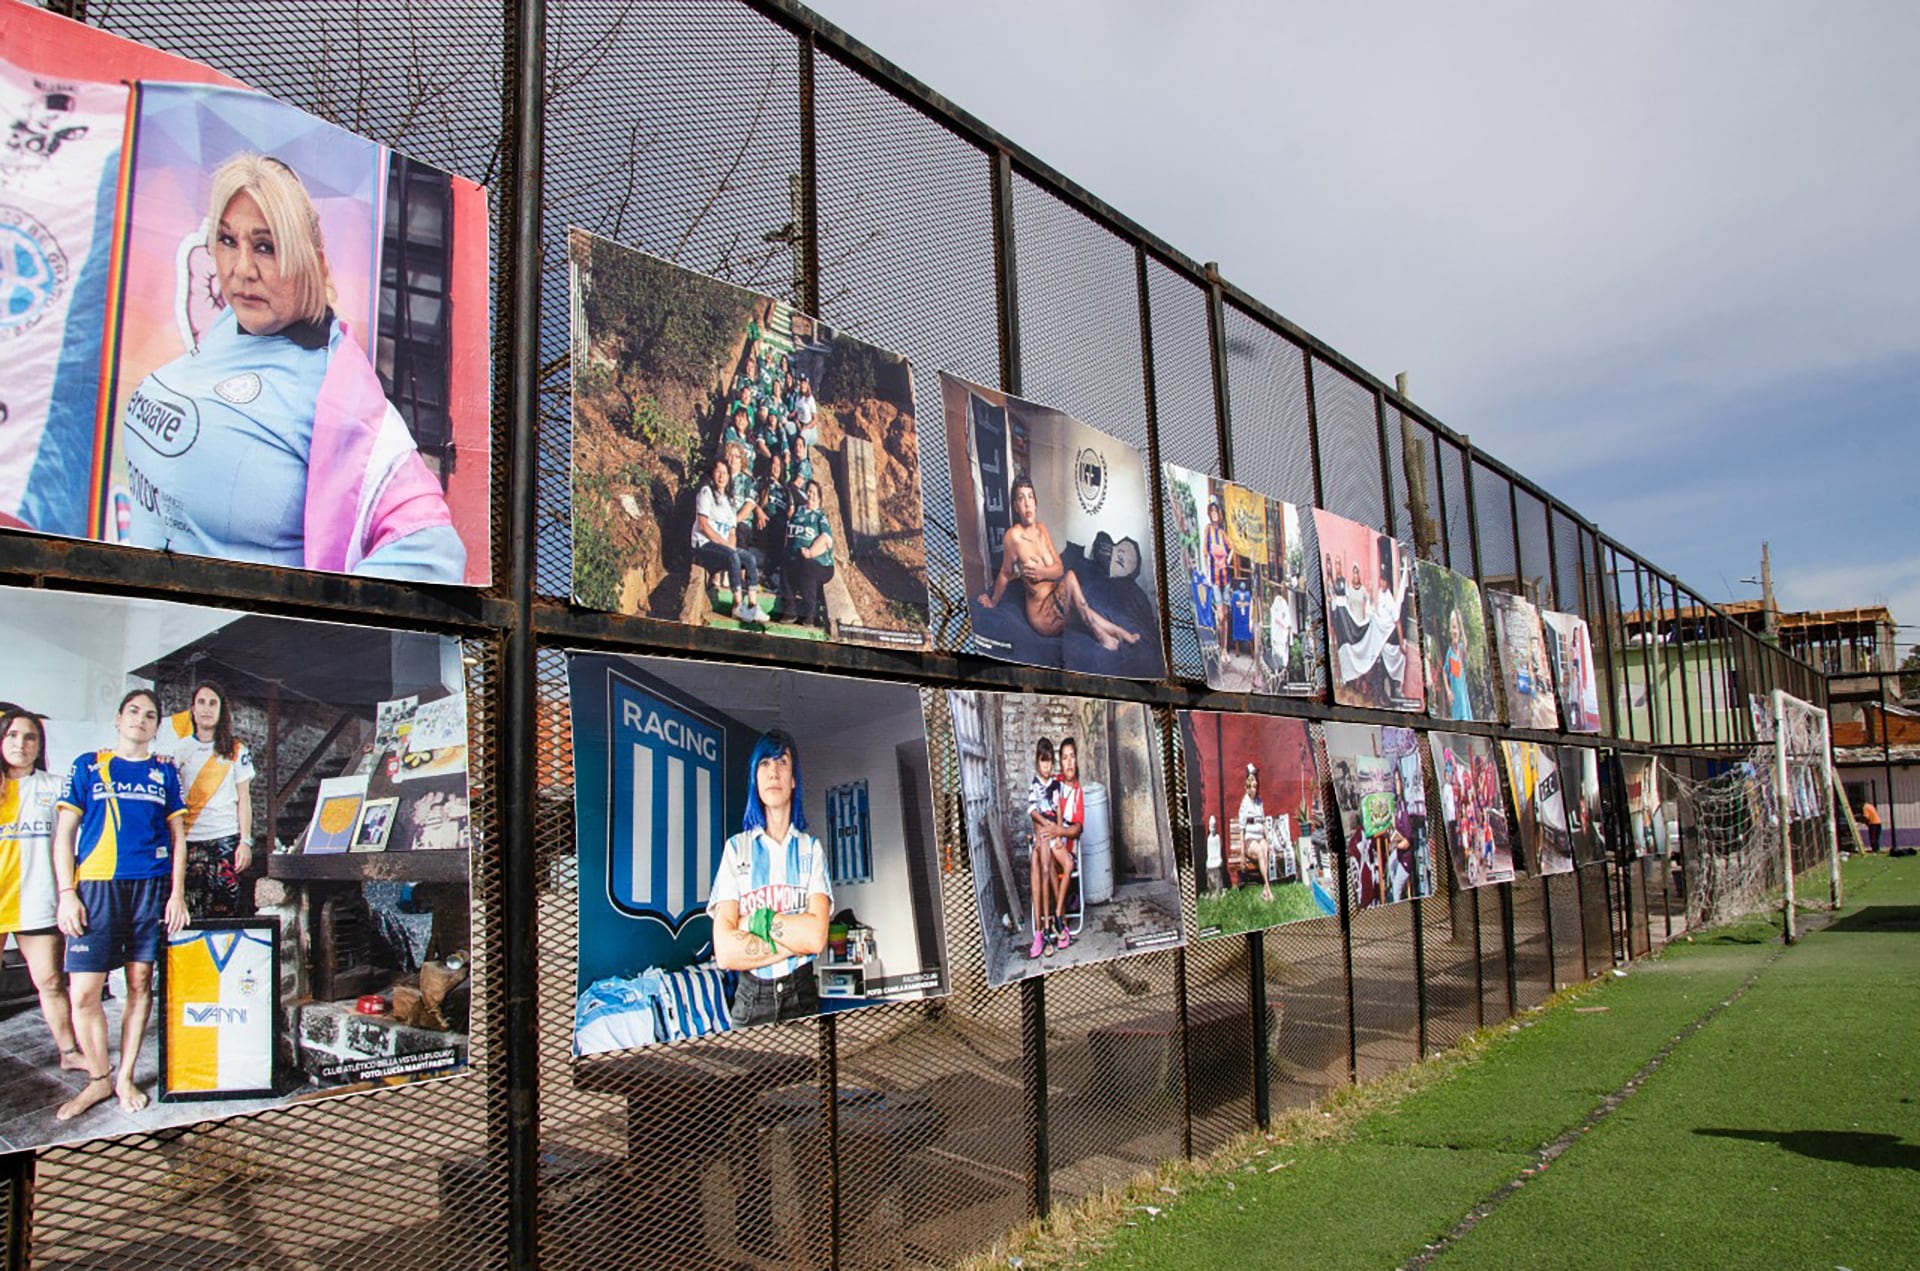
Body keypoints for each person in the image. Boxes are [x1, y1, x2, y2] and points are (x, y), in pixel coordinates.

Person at [119, 154, 465, 581]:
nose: (241, 270)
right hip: (140, 627)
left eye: (266, 247)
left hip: (220, 645)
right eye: (227, 241)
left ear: (309, 260)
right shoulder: (233, 326)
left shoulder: (334, 390)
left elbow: (433, 549)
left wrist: (311, 632)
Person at [52, 689, 190, 1119]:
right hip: (94, 887)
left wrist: (177, 893)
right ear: (118, 718)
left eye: (150, 715)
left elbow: (179, 838)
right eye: (133, 711)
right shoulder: (88, 765)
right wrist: (66, 892)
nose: (141, 719)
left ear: (156, 726)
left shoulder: (165, 773)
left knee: (138, 985)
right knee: (84, 993)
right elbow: (64, 835)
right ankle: (97, 1078)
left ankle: (125, 1075)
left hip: (149, 888)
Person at [709, 730, 831, 1027]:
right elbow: (725, 953)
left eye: (782, 763)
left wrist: (753, 922)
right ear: (755, 779)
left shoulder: (811, 849)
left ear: (793, 780)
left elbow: (816, 938)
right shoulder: (735, 849)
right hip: (752, 999)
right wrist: (796, 939)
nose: (773, 772)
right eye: (764, 764)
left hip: (802, 995)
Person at [0, 709, 81, 1074]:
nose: (21, 743)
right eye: (13, 735)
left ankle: (68, 1051)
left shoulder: (55, 785)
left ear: (39, 743)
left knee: (50, 982)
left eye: (29, 736)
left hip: (37, 902)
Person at [977, 475, 1143, 653]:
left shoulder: (1042, 529)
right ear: (1016, 506)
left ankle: (1120, 632)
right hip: (1043, 615)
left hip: (1058, 599)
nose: (1027, 503)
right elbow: (1004, 573)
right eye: (1021, 498)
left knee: (1079, 603)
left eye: (1030, 497)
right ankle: (1100, 635)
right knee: (1072, 580)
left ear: (1036, 502)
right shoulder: (1013, 537)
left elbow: (1059, 569)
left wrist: (1041, 572)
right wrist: (993, 601)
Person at [154, 681, 254, 920]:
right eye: (201, 702)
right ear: (192, 709)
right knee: (190, 910)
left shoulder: (236, 749)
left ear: (221, 711)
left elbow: (244, 798)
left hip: (225, 840)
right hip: (189, 840)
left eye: (213, 703)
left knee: (224, 911)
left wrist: (245, 841)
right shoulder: (180, 749)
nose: (207, 708)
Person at [692, 456, 767, 624]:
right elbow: (703, 525)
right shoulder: (706, 492)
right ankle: (737, 606)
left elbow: (732, 530)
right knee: (732, 556)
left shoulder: (729, 500)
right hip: (704, 545)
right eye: (718, 472)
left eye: (725, 473)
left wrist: (730, 546)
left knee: (749, 558)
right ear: (712, 473)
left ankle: (753, 604)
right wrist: (725, 546)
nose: (721, 476)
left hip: (722, 546)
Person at [1045, 738, 1087, 950]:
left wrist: (1060, 831)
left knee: (1061, 860)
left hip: (1068, 850)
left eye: (1072, 757)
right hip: (1052, 848)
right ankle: (1059, 916)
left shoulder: (1079, 792)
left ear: (1077, 760)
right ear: (1060, 763)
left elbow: (1078, 829)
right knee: (1048, 859)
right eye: (1064, 758)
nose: (1069, 762)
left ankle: (1057, 915)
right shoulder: (1055, 783)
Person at [783, 480, 836, 630]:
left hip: (821, 564)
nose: (811, 495)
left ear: (819, 499)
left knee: (808, 567)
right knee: (786, 563)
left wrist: (811, 552)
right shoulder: (798, 512)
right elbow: (788, 533)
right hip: (795, 558)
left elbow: (826, 539)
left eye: (814, 493)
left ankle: (810, 616)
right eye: (809, 492)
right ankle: (789, 611)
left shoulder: (820, 516)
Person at [1026, 738, 1061, 959]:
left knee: (1043, 867)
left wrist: (1056, 830)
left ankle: (1046, 930)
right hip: (1040, 831)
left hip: (1051, 836)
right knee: (1036, 868)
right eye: (1043, 763)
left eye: (1049, 763)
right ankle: (1042, 931)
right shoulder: (1034, 784)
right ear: (1037, 763)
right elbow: (1032, 811)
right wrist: (1045, 825)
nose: (1046, 767)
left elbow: (1057, 812)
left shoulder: (1055, 785)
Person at [1239, 762, 1273, 903]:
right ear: (1247, 785)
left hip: (1259, 837)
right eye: (1251, 783)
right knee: (1260, 850)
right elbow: (1241, 830)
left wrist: (1268, 838)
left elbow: (1264, 822)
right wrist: (1242, 854)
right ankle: (1268, 889)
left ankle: (1265, 889)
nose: (1254, 786)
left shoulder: (1259, 802)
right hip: (1250, 841)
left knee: (1265, 847)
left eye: (1255, 784)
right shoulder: (1244, 803)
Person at [1204, 815, 1224, 896]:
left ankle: (1219, 889)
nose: (1212, 829)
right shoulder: (1209, 839)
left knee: (1217, 866)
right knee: (1209, 865)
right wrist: (1209, 859)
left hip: (1216, 858)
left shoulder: (1217, 837)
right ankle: (1211, 889)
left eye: (1214, 827)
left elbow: (1218, 850)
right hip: (1211, 858)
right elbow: (1209, 852)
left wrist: (1218, 858)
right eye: (1211, 827)